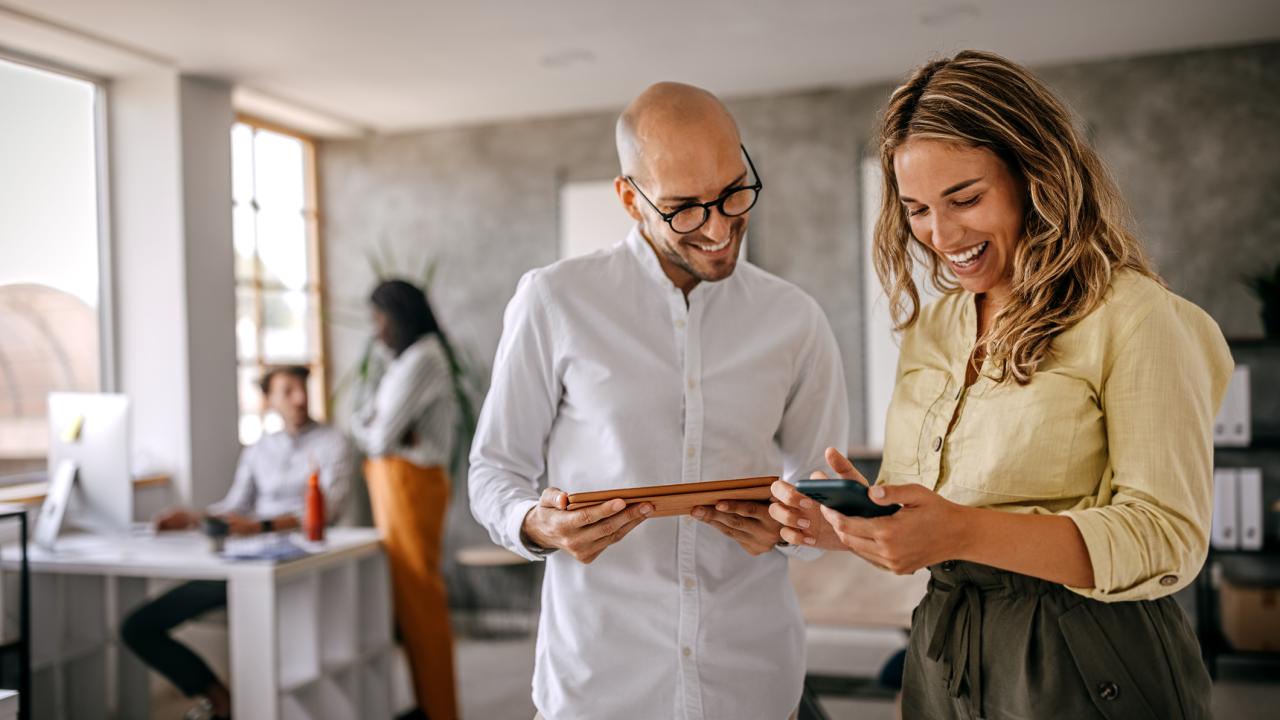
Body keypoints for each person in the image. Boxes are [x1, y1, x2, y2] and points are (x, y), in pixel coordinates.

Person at [770, 50, 1232, 719]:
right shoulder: (934, 329)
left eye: (966, 198)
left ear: (1034, 175)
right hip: (946, 655)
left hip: (1088, 658)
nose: (940, 234)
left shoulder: (1136, 318)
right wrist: (843, 527)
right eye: (917, 209)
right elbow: (928, 523)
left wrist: (960, 533)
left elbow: (1166, 539)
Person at [468, 82, 849, 720]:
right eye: (685, 208)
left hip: (754, 681)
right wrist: (541, 525)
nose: (719, 226)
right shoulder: (554, 301)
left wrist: (792, 528)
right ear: (629, 197)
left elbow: (823, 488)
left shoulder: (796, 320)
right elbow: (494, 472)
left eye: (733, 192)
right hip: (599, 682)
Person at [121, 365, 353, 720]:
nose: (301, 398)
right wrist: (195, 517)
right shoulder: (259, 449)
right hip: (246, 563)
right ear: (268, 400)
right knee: (138, 627)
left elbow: (329, 510)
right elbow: (234, 507)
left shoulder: (333, 443)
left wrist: (259, 525)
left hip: (298, 566)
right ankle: (218, 696)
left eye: (303, 388)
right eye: (288, 390)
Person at [350, 279, 459, 720]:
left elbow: (375, 437)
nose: (376, 329)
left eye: (379, 317)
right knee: (409, 601)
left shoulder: (422, 359)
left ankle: (438, 710)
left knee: (420, 601)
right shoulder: (402, 361)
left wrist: (374, 428)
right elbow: (370, 423)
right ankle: (427, 705)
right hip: (398, 483)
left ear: (398, 315)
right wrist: (375, 426)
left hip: (411, 484)